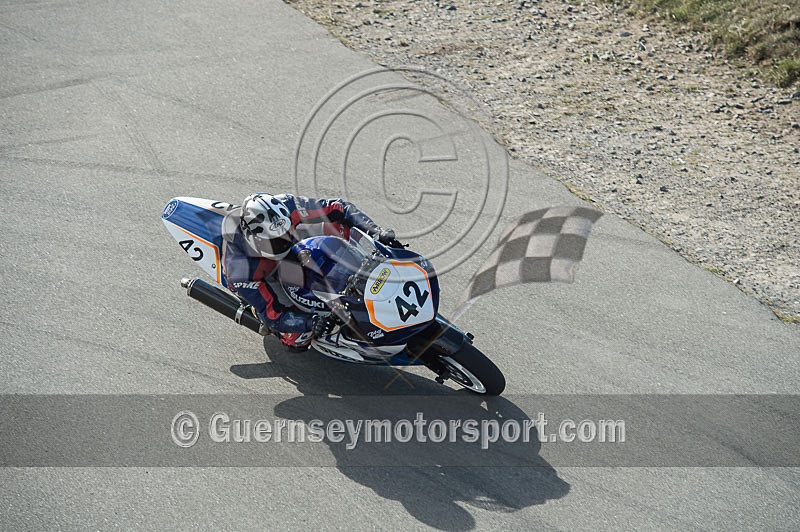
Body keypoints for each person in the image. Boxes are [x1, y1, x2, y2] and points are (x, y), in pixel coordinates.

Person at [220, 193, 398, 350]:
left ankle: (360, 269)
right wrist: (310, 322)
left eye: (286, 233)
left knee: (336, 222)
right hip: (263, 273)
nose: (284, 241)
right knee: (297, 339)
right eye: (276, 240)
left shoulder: (288, 206)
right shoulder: (240, 269)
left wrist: (375, 232)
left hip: (300, 246)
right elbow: (272, 314)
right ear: (255, 240)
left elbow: (338, 207)